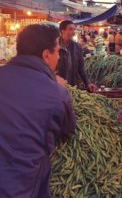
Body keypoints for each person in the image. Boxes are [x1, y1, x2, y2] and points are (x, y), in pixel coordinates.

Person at [0, 24, 75, 198]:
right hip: (21, 187)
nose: (59, 57)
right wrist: (59, 87)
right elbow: (68, 128)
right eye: (57, 52)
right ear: (46, 55)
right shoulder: (56, 94)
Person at [57, 20, 96, 91]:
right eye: (71, 29)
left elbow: (81, 68)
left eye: (74, 29)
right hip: (58, 85)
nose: (73, 32)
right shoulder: (55, 46)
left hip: (73, 85)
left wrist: (88, 83)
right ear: (63, 31)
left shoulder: (77, 47)